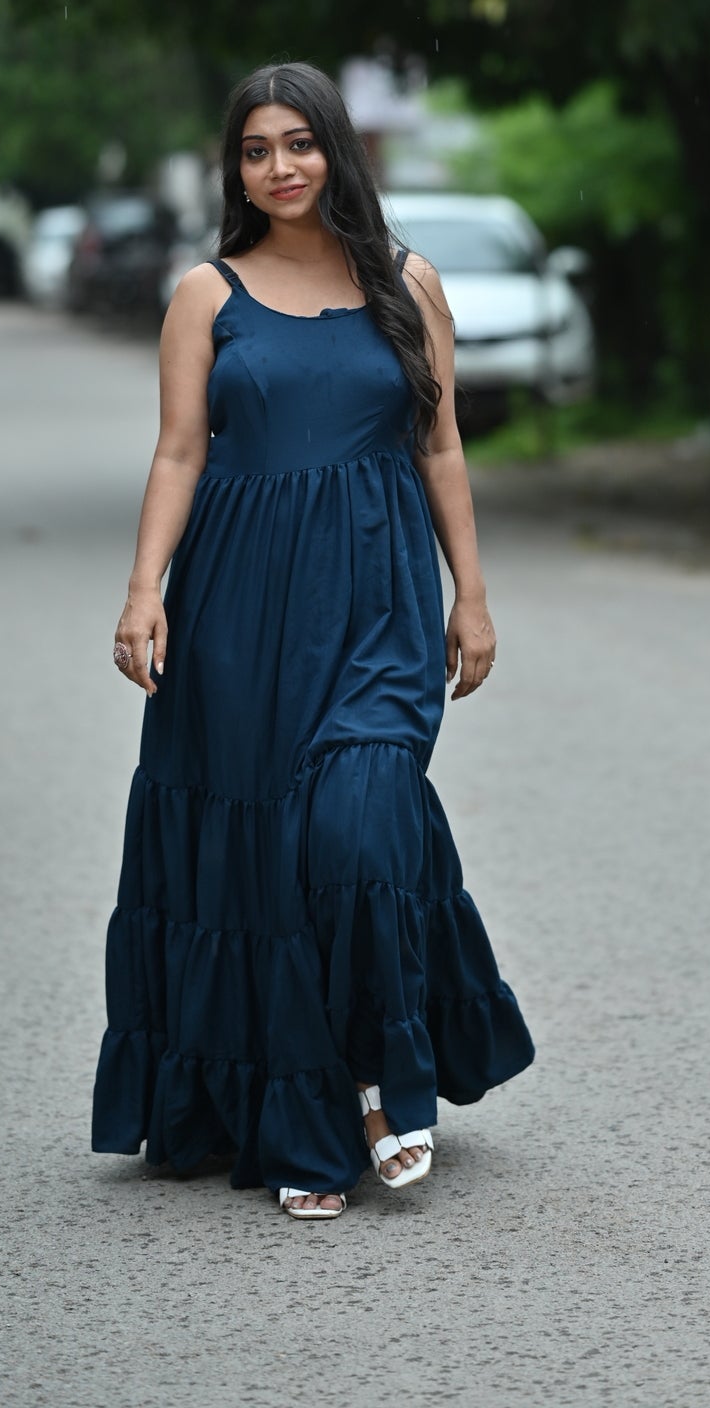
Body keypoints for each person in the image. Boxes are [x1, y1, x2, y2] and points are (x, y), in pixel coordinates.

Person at [91, 61, 534, 1219]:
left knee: (359, 830)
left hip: (379, 603)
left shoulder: (404, 280)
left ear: (337, 147)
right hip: (239, 610)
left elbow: (439, 447)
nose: (279, 165)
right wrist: (146, 590)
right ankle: (313, 1105)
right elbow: (179, 451)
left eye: (299, 141)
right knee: (265, 859)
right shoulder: (206, 293)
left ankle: (386, 1072)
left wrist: (470, 595)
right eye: (254, 148)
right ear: (233, 167)